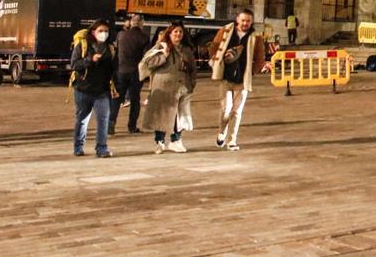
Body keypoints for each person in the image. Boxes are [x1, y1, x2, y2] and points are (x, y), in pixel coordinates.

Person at [208, 9, 267, 151]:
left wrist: (253, 71)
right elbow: (214, 47)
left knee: (237, 111)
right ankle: (222, 132)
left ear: (251, 22)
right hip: (226, 77)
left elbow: (260, 57)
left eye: (248, 21)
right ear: (237, 20)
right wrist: (216, 61)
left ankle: (232, 140)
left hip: (242, 79)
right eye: (243, 20)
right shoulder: (226, 31)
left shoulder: (255, 37)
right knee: (225, 109)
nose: (245, 23)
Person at [140, 21, 197, 153]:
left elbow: (193, 69)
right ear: (169, 33)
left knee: (179, 115)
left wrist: (192, 84)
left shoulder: (187, 50)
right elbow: (148, 64)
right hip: (163, 87)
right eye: (175, 31)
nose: (178, 34)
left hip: (182, 87)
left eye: (180, 32)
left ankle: (176, 140)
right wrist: (164, 55)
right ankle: (159, 142)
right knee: (161, 115)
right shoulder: (160, 47)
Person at [70, 19, 118, 158]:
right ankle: (78, 146)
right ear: (93, 32)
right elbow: (74, 64)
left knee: (103, 119)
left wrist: (117, 87)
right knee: (82, 118)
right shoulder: (83, 45)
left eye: (106, 31)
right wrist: (90, 60)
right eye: (100, 31)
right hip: (83, 89)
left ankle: (102, 148)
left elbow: (115, 69)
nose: (104, 34)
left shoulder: (111, 48)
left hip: (102, 91)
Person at [110, 13, 148, 135]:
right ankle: (132, 127)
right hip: (136, 73)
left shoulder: (121, 35)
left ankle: (111, 124)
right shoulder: (144, 38)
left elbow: (116, 52)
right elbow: (146, 57)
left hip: (121, 71)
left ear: (131, 22)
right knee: (135, 99)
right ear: (142, 23)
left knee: (117, 99)